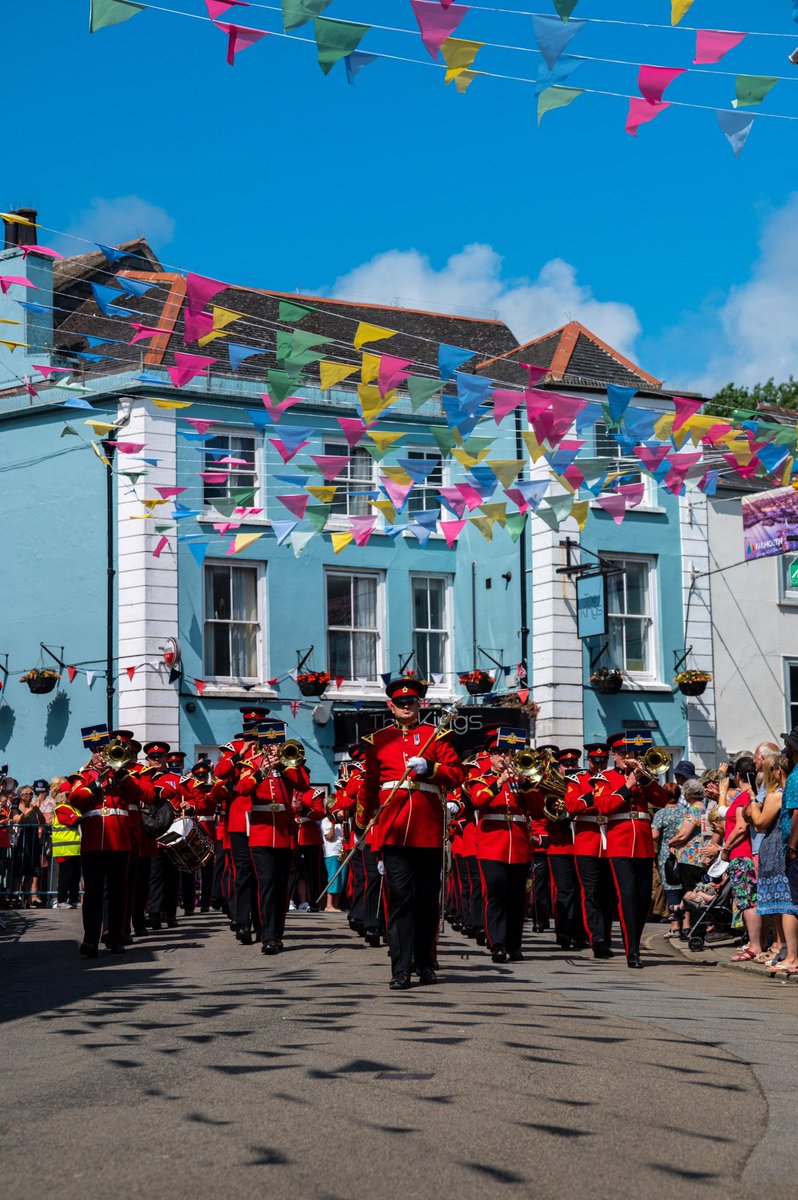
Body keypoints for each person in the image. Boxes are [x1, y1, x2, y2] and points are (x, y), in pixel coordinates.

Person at [358, 677, 464, 990]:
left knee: (428, 901)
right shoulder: (378, 740)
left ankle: (426, 963)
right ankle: (401, 968)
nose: (406, 706)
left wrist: (430, 768)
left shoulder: (435, 735)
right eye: (401, 702)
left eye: (411, 702)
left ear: (420, 705)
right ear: (391, 706)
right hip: (393, 830)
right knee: (401, 900)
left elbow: (457, 774)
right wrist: (365, 826)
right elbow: (369, 787)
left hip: (427, 829)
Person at [68, 724, 153, 957]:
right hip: (93, 842)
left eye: (103, 751)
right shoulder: (83, 776)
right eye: (96, 752)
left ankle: (116, 938)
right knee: (93, 893)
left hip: (120, 841)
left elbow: (145, 795)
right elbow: (75, 799)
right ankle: (90, 940)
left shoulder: (125, 775)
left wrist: (120, 773)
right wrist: (97, 782)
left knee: (118, 892)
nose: (100, 756)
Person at [593, 733, 668, 968]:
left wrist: (644, 779)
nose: (628, 756)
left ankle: (634, 941)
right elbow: (603, 806)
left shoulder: (644, 777)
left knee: (643, 899)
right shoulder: (605, 778)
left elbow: (663, 799)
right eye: (623, 753)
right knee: (627, 897)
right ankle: (632, 950)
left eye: (631, 752)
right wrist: (627, 786)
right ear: (614, 756)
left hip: (643, 844)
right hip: (619, 843)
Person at [241, 720, 310, 954]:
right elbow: (243, 789)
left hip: (284, 833)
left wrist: (284, 765)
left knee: (281, 887)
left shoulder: (290, 764)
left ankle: (277, 933)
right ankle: (267, 935)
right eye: (269, 743)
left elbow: (304, 785)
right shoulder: (251, 764)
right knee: (267, 884)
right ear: (262, 744)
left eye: (276, 742)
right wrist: (261, 771)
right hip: (261, 834)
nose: (273, 747)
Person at [468, 728, 534, 964]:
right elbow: (477, 800)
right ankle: (497, 943)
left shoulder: (521, 781)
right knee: (495, 894)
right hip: (492, 845)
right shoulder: (481, 779)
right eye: (498, 752)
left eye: (507, 752)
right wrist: (500, 781)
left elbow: (536, 808)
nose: (503, 757)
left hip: (518, 844)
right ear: (490, 755)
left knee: (516, 898)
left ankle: (514, 945)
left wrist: (525, 784)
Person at [214, 708, 271, 942]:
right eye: (250, 726)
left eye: (257, 726)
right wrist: (241, 753)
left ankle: (262, 922)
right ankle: (242, 922)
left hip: (263, 819)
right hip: (239, 819)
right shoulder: (234, 748)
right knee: (243, 873)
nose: (254, 730)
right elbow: (220, 772)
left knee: (262, 874)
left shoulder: (272, 748)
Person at [564, 742, 615, 958]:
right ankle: (597, 938)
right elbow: (571, 806)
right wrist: (595, 797)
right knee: (591, 892)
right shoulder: (577, 779)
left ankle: (606, 935)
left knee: (609, 894)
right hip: (587, 841)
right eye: (595, 761)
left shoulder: (613, 778)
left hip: (610, 840)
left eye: (603, 760)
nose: (599, 764)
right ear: (589, 760)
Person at [749, 752, 797, 971]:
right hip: (775, 848)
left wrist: (753, 801)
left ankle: (785, 950)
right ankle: (783, 949)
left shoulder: (776, 795)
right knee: (778, 905)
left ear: (777, 771)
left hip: (776, 848)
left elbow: (759, 823)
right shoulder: (781, 793)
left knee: (782, 903)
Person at [719, 755, 763, 963]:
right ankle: (755, 943)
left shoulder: (745, 796)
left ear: (737, 776)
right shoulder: (746, 795)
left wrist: (726, 848)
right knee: (747, 900)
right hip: (742, 854)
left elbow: (741, 827)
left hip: (741, 854)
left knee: (747, 901)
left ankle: (755, 946)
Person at [668, 777, 710, 933]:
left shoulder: (693, 810)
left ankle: (697, 927)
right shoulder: (704, 807)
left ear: (687, 794)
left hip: (690, 858)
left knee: (691, 891)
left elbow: (683, 835)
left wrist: (670, 842)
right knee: (698, 889)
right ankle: (696, 925)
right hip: (700, 856)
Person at [651, 783, 686, 939]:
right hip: (684, 853)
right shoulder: (685, 811)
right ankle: (686, 926)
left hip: (667, 855)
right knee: (684, 889)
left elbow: (654, 835)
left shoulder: (661, 813)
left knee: (671, 889)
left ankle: (675, 927)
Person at [50, 779, 82, 908]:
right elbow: (73, 821)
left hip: (75, 848)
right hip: (64, 848)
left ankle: (74, 899)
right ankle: (61, 900)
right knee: (65, 876)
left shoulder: (73, 808)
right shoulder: (61, 808)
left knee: (75, 876)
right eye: (69, 794)